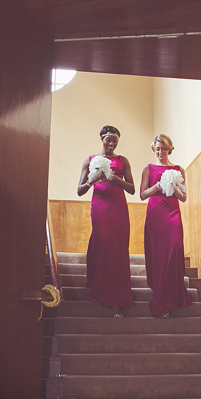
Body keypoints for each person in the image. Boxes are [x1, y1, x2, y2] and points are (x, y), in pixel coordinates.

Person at [77, 125, 136, 318]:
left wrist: (116, 179)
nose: (111, 144)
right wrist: (92, 180)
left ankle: (117, 296)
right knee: (102, 242)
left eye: (115, 141)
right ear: (101, 138)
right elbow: (79, 190)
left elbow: (132, 189)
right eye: (108, 139)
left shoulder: (123, 160)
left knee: (117, 246)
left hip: (118, 206)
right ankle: (98, 285)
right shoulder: (90, 159)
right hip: (100, 206)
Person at [140, 134, 192, 318]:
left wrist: (172, 185)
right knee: (159, 255)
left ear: (169, 148)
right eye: (157, 149)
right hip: (155, 213)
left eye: (163, 148)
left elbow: (183, 198)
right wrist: (158, 186)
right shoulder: (148, 168)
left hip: (172, 213)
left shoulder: (179, 170)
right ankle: (161, 298)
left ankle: (173, 295)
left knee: (175, 249)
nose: (160, 152)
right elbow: (143, 194)